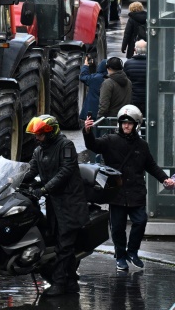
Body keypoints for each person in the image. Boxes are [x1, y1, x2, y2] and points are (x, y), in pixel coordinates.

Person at [83, 106, 175, 271]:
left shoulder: (142, 145)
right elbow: (94, 146)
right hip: (116, 193)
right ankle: (120, 256)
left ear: (136, 125)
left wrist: (165, 179)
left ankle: (132, 252)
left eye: (129, 123)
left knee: (140, 221)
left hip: (136, 192)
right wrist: (87, 131)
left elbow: (151, 166)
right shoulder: (110, 140)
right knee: (117, 227)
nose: (126, 126)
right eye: (123, 123)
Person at [22, 115, 88, 296]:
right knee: (54, 239)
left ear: (50, 132)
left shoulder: (66, 146)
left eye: (40, 135)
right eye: (36, 135)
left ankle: (59, 283)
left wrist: (44, 189)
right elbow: (30, 170)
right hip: (53, 202)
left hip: (70, 202)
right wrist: (12, 179)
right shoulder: (39, 150)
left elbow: (65, 171)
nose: (37, 138)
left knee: (64, 244)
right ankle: (71, 282)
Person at [123, 40, 147, 115]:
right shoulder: (151, 63)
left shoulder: (128, 63)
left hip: (133, 98)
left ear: (135, 50)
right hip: (148, 97)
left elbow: (125, 80)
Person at [80, 56, 108, 121]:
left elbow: (83, 77)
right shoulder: (112, 79)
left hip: (92, 112)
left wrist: (86, 65)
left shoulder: (95, 78)